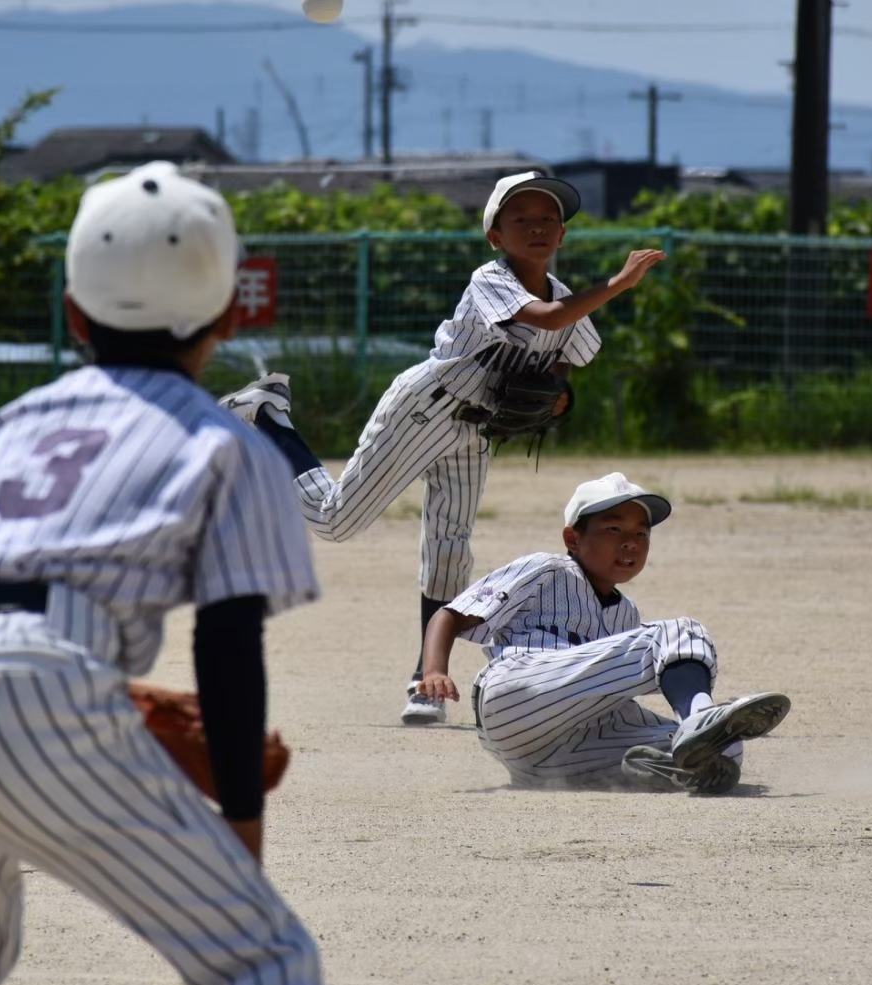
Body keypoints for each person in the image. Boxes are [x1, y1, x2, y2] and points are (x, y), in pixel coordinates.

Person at [0, 162, 325, 985]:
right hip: (30, 695)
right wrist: (241, 827)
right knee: (264, 956)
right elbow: (229, 641)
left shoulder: (11, 420)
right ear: (226, 313)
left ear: (73, 312)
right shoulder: (225, 443)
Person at [221, 171, 664, 726]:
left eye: (549, 219)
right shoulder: (491, 280)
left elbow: (566, 363)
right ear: (496, 236)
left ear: (562, 235)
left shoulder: (568, 300)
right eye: (520, 219)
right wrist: (621, 282)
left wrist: (559, 399)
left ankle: (425, 680)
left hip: (479, 431)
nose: (537, 227)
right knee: (336, 522)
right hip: (426, 407)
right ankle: (268, 415)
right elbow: (548, 321)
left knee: (450, 550)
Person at [414, 471, 791, 794]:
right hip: (514, 702)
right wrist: (433, 670)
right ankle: (699, 717)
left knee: (729, 748)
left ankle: (669, 766)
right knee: (680, 631)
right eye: (613, 528)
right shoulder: (547, 571)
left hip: (553, 762)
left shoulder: (626, 614)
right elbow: (448, 616)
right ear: (573, 538)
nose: (630, 542)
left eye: (641, 534)